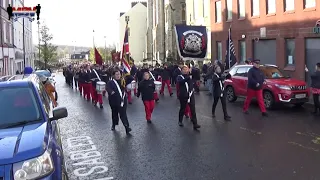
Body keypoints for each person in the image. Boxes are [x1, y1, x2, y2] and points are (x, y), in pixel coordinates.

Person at [106, 70, 131, 134]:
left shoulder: (123, 81)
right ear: (113, 75)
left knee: (123, 114)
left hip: (122, 100)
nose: (118, 75)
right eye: (116, 74)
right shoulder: (110, 82)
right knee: (114, 113)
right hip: (114, 101)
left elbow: (131, 78)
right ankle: (114, 124)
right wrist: (111, 91)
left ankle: (127, 127)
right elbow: (107, 88)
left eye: (119, 74)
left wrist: (127, 72)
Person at [176, 65, 200, 130]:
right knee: (183, 108)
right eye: (184, 69)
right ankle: (180, 121)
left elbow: (195, 78)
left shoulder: (190, 76)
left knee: (193, 110)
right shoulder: (179, 77)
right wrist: (188, 78)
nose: (185, 70)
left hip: (190, 94)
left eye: (186, 69)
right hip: (183, 95)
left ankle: (195, 124)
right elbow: (180, 82)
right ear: (181, 70)